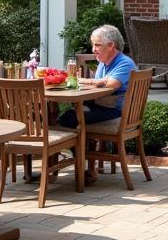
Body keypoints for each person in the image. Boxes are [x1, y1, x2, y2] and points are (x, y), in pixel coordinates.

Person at [58, 24, 136, 184]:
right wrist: (97, 81)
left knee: (68, 119)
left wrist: (83, 80)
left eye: (97, 45)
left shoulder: (124, 63)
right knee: (69, 116)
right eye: (93, 44)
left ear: (111, 45)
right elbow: (100, 83)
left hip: (116, 112)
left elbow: (111, 84)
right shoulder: (104, 62)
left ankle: (81, 160)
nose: (93, 49)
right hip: (102, 106)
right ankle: (83, 160)